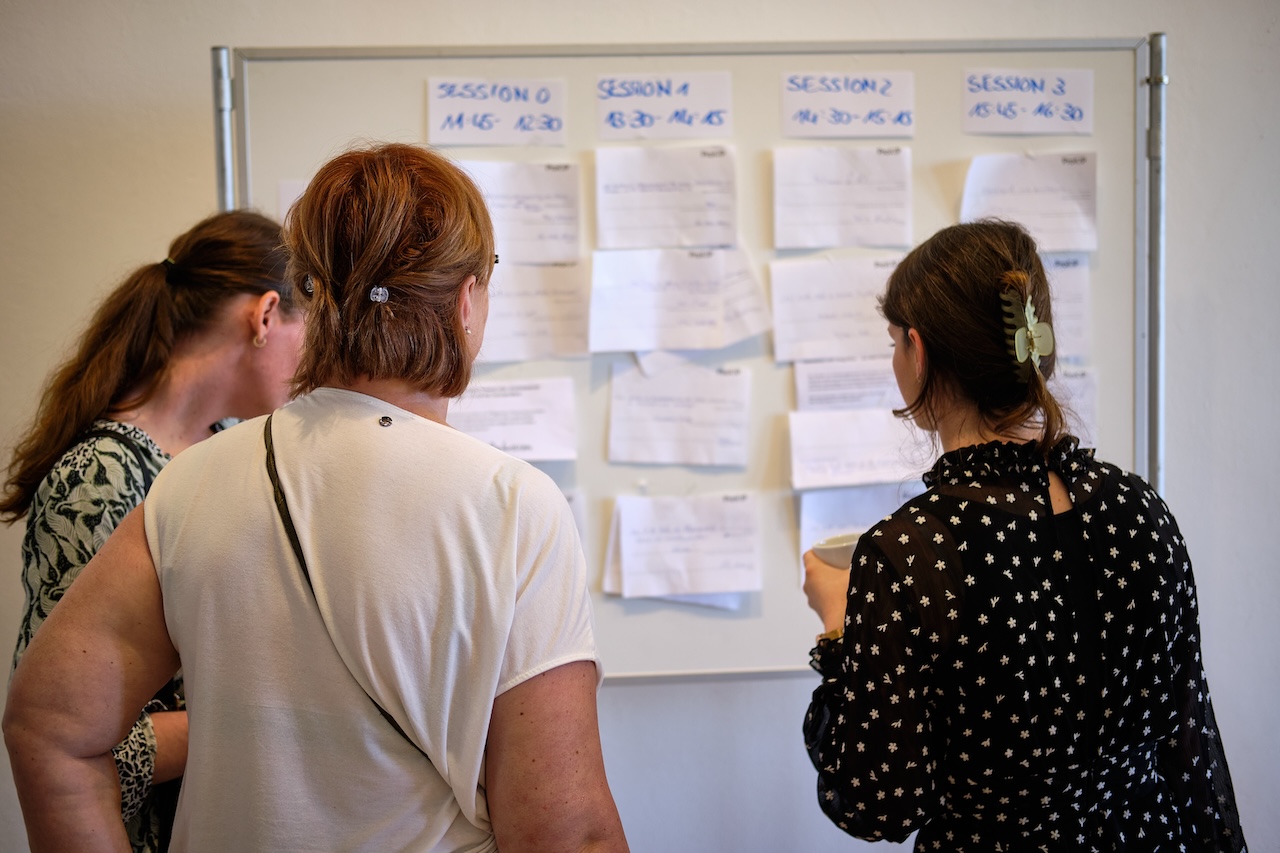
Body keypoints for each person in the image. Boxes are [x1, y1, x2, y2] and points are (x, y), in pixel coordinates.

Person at [4, 142, 630, 853]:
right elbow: (567, 832)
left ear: (312, 293)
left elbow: (47, 727)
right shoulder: (511, 505)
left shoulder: (188, 485)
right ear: (465, 302)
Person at [800, 220, 1247, 851]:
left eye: (895, 341)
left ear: (918, 352)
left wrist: (839, 626)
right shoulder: (1140, 508)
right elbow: (1187, 740)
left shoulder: (911, 552)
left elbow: (879, 807)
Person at [1, 209, 302, 852]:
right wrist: (267, 719)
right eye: (313, 333)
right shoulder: (98, 478)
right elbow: (72, 735)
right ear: (266, 315)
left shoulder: (223, 450)